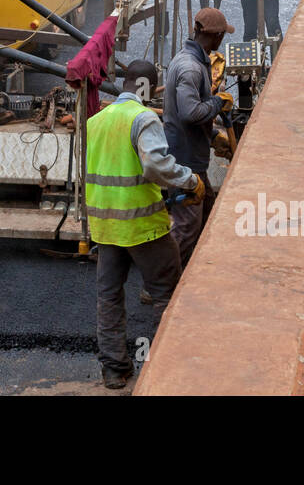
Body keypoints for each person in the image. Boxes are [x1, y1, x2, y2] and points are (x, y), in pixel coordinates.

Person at [86, 59, 204, 389]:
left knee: (109, 296)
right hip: (143, 226)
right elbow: (155, 165)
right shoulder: (143, 118)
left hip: (106, 226)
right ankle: (165, 367)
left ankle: (114, 369)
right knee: (166, 292)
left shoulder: (96, 121)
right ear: (147, 87)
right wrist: (190, 181)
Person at [162, 8, 235, 267]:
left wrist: (213, 136)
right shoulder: (191, 68)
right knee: (186, 225)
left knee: (205, 213)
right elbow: (191, 113)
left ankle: (195, 270)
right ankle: (161, 283)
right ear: (215, 37)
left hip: (192, 155)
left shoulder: (192, 60)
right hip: (185, 160)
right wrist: (218, 102)